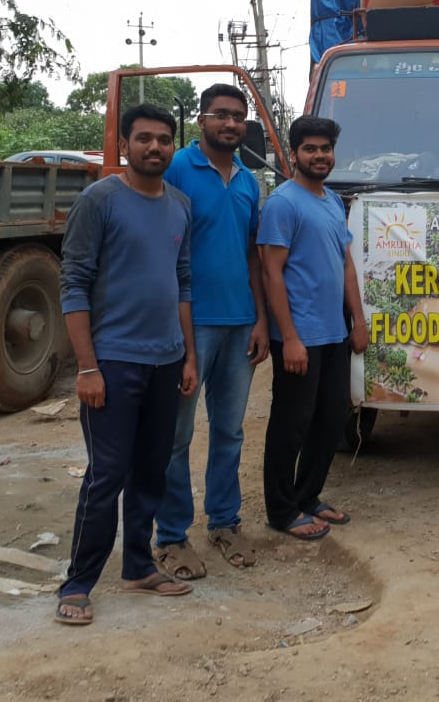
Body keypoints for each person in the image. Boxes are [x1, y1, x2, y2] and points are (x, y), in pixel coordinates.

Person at [54, 104, 199, 625]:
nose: (154, 147)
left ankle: (138, 567)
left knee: (151, 471)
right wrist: (86, 368)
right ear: (124, 144)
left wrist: (188, 355)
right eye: (143, 139)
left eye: (163, 139)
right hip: (113, 362)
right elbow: (73, 283)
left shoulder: (180, 206)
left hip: (166, 362)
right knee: (107, 475)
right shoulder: (99, 201)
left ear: (172, 146)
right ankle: (78, 583)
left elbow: (182, 281)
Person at [154, 84, 269, 580]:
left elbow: (252, 255)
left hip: (240, 323)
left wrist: (261, 318)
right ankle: (171, 536)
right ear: (201, 120)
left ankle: (224, 523)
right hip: (191, 324)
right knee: (176, 436)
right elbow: (161, 246)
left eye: (238, 117)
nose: (230, 123)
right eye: (221, 114)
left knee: (229, 430)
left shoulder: (247, 180)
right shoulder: (178, 168)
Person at [258, 115, 368, 540]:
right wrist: (289, 338)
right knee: (291, 425)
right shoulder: (283, 204)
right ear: (294, 154)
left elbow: (346, 266)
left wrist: (358, 321)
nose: (320, 156)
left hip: (335, 333)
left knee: (330, 420)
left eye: (326, 149)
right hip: (299, 337)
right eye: (311, 149)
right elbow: (271, 273)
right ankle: (281, 510)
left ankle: (308, 496)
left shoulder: (332, 201)